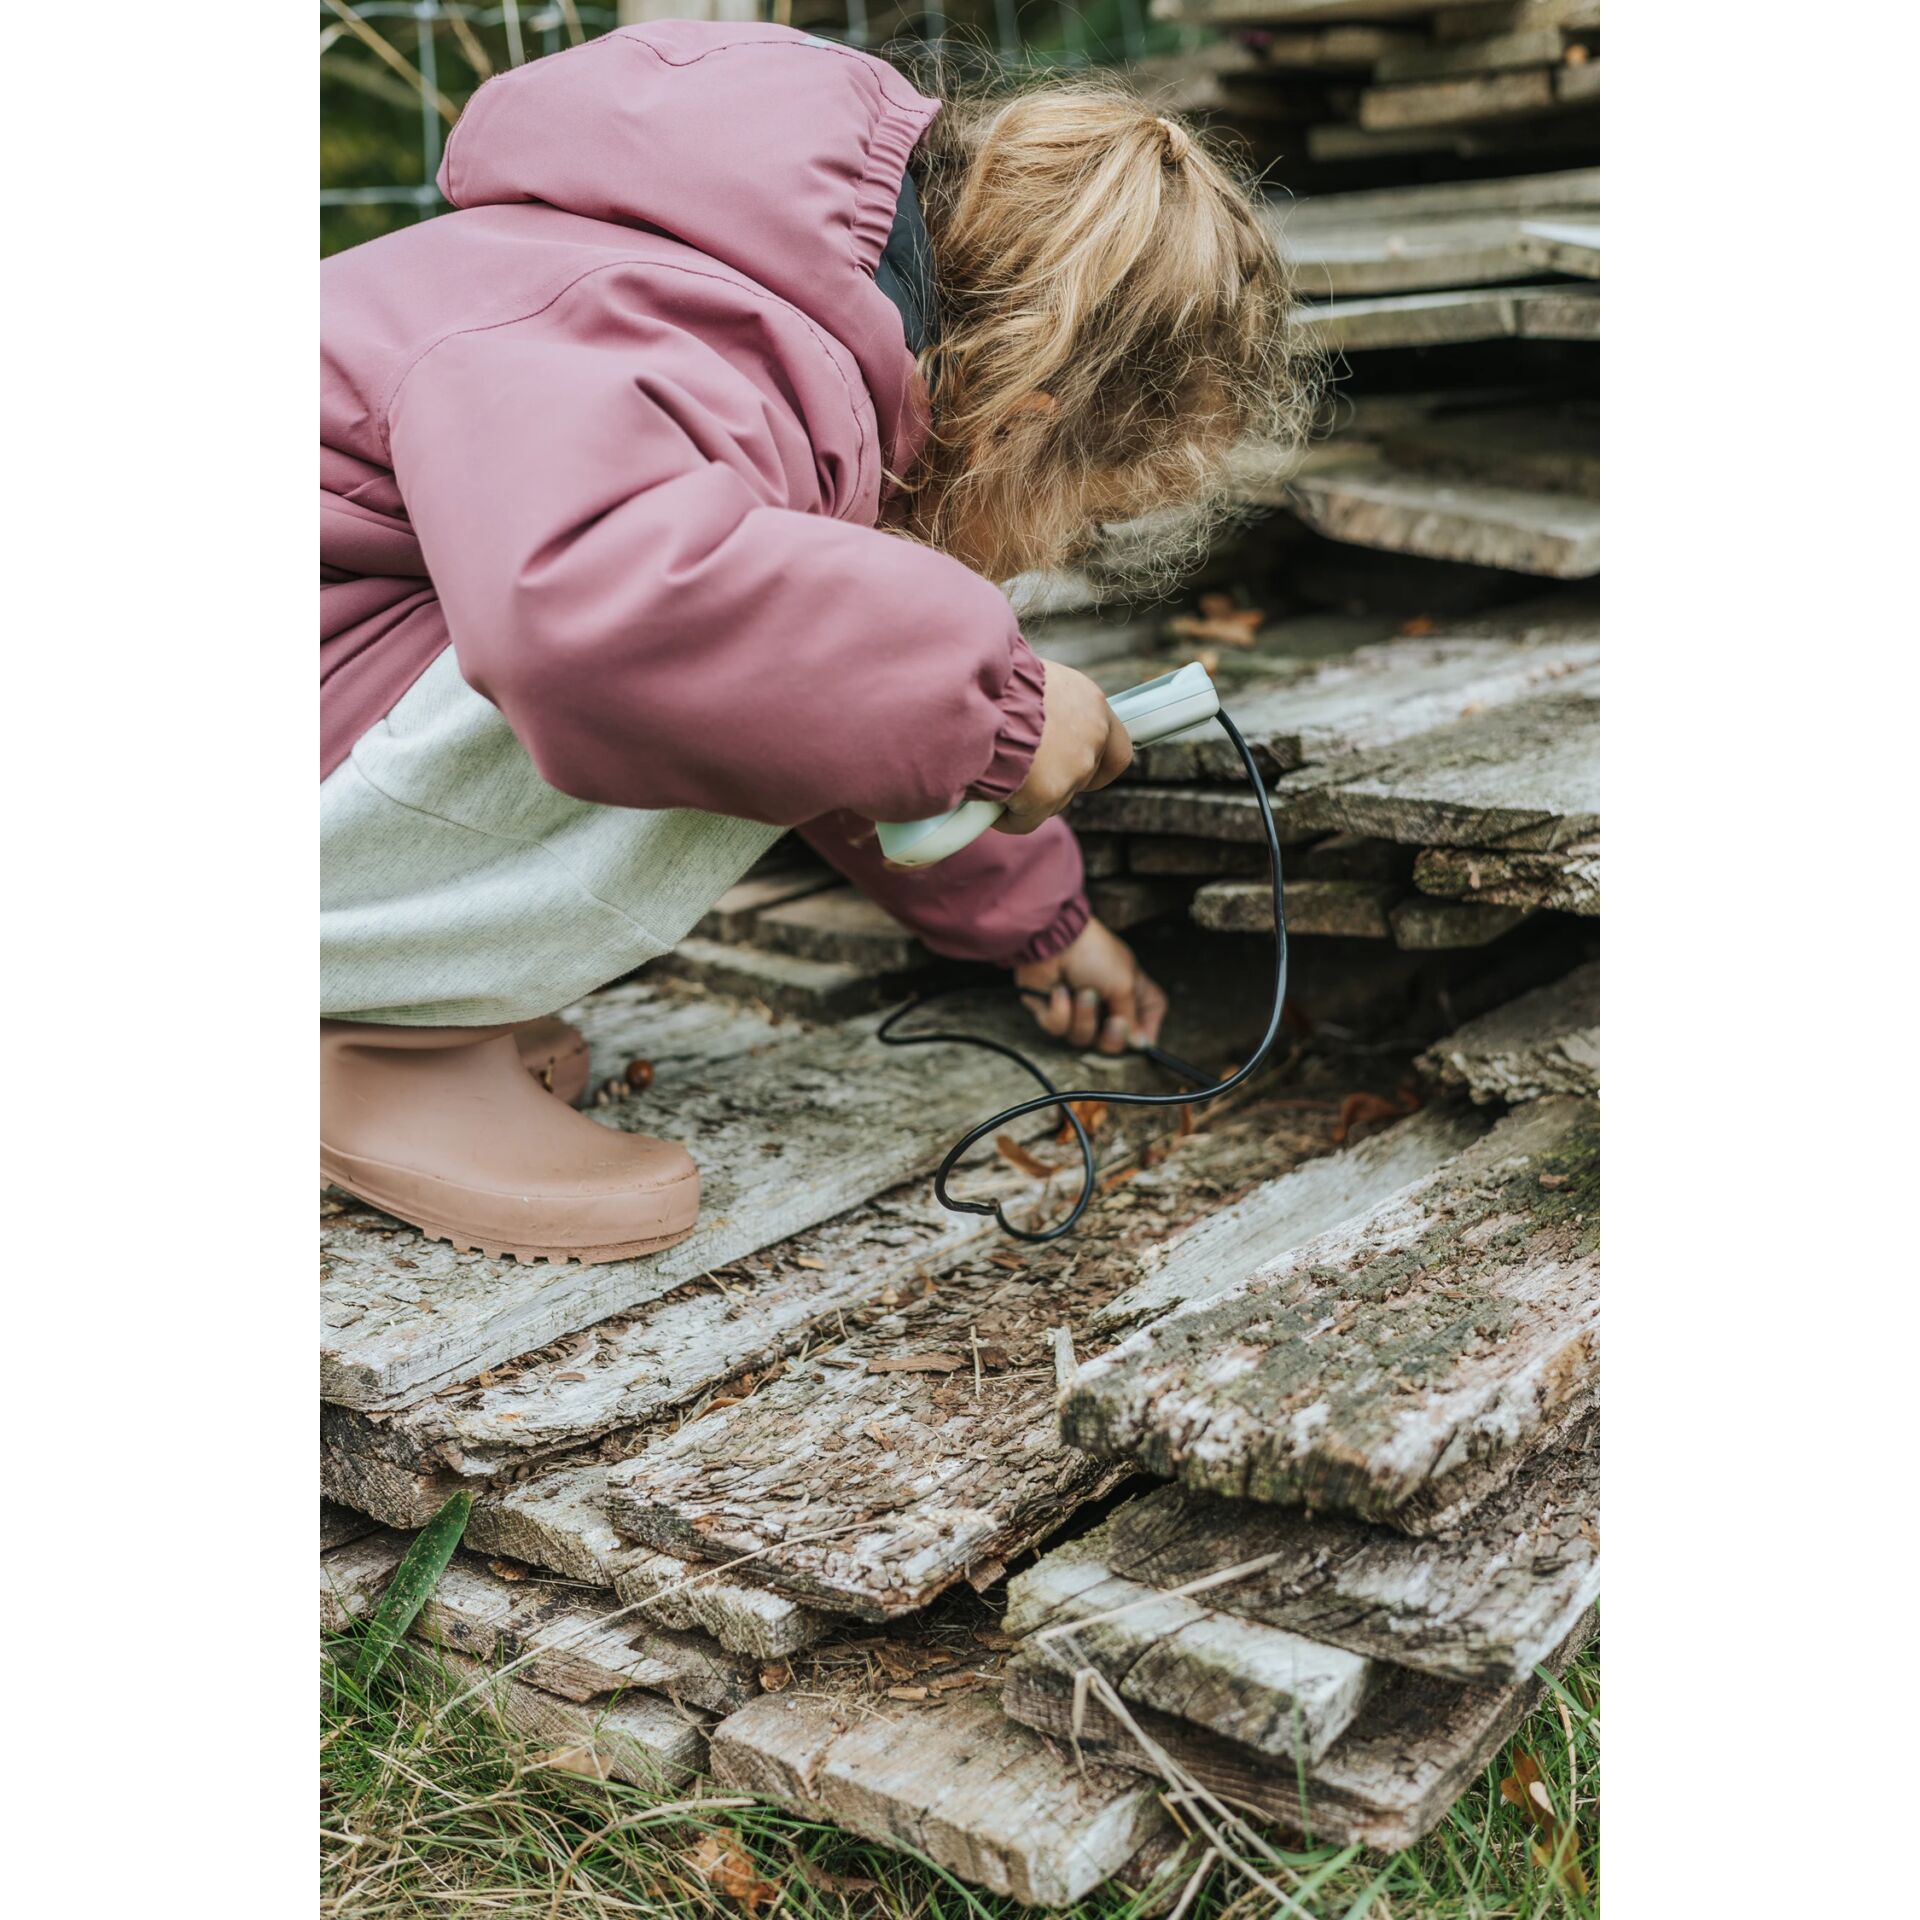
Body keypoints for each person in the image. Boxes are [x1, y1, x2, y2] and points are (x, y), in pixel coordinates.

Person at [320, 20, 1306, 1265]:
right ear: (1032, 418)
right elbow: (604, 619)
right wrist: (995, 703)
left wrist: (1046, 921)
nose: (1050, 553)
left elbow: (811, 693)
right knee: (713, 657)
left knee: (783, 646)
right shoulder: (684, 333)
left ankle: (397, 1008)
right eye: (1085, 511)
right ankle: (363, 1047)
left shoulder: (730, 306)